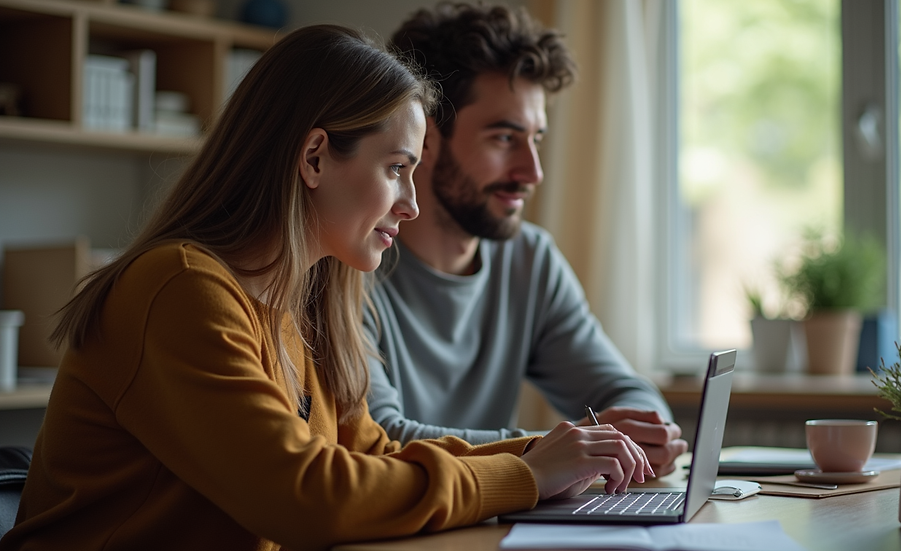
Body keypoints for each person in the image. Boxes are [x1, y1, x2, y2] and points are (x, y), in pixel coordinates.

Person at [0, 25, 653, 551]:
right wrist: (526, 473)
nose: (410, 204)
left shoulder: (296, 301)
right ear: (314, 157)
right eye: (396, 169)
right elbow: (307, 496)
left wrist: (543, 453)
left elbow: (374, 453)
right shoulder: (180, 288)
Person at [365, 2, 689, 475]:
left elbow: (627, 392)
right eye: (504, 138)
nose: (532, 171)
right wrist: (556, 450)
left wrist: (643, 432)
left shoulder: (529, 261)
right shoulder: (352, 263)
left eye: (536, 138)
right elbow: (381, 439)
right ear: (424, 139)